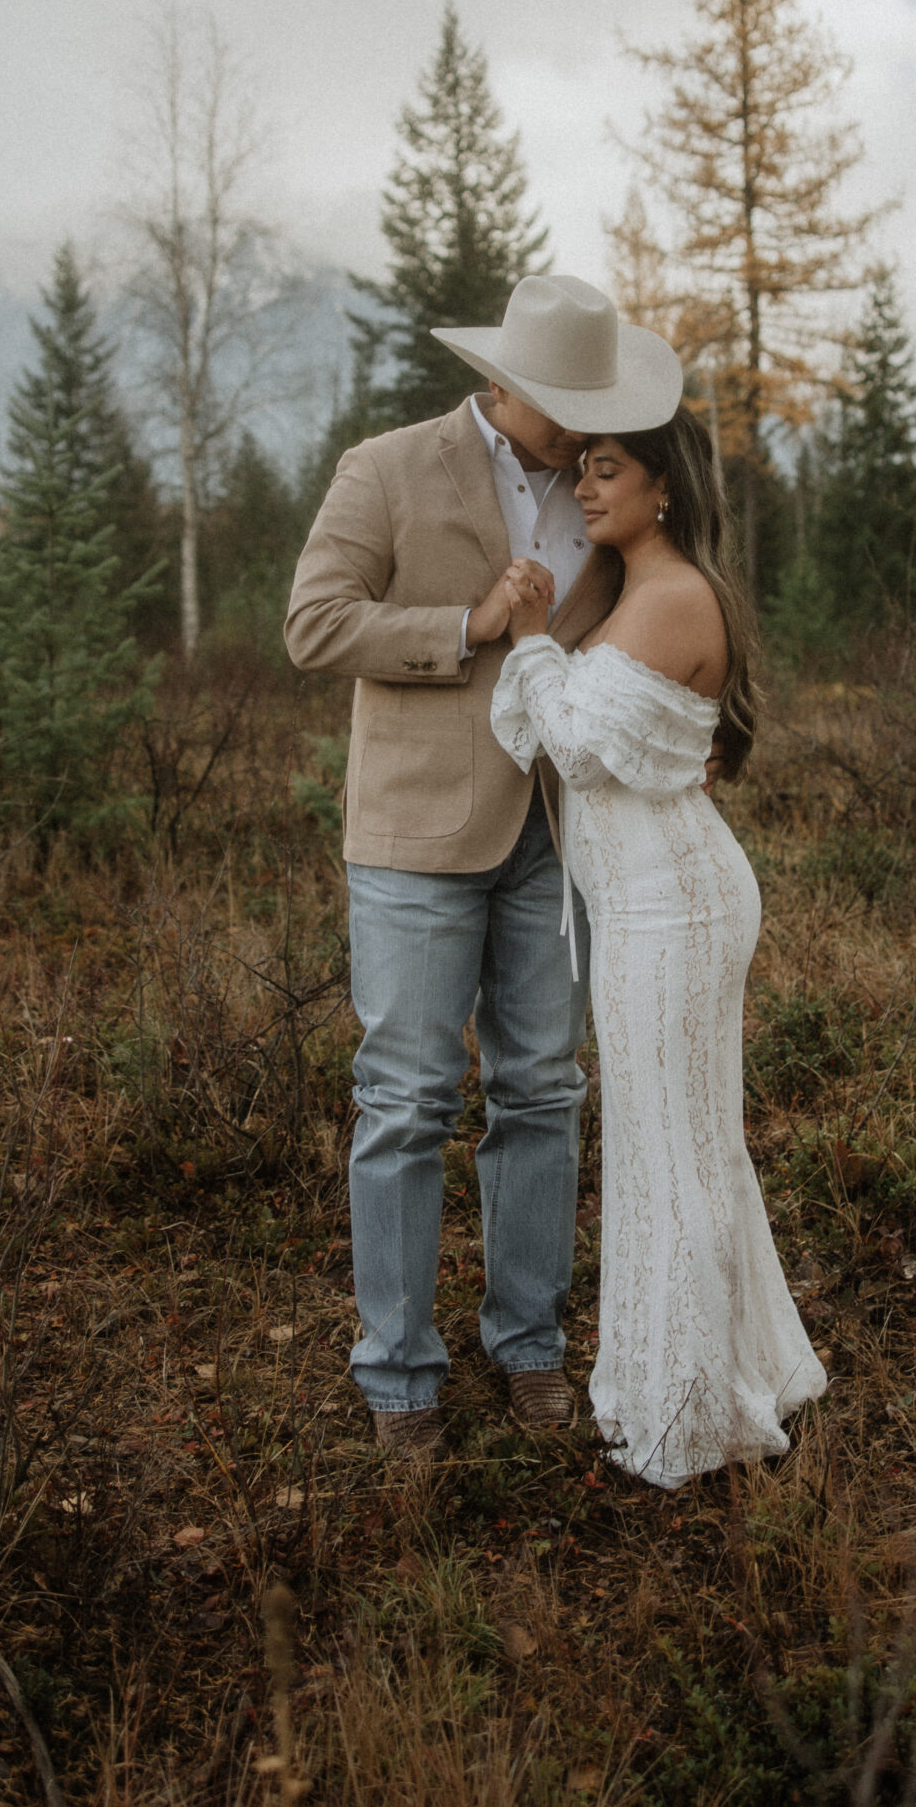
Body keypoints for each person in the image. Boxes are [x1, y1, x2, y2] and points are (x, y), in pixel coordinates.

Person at [283, 274, 683, 1462]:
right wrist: (465, 623)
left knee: (544, 1092)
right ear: (501, 383)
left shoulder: (606, 485)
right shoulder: (387, 467)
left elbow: (665, 616)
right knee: (404, 1103)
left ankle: (530, 1345)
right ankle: (399, 1375)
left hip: (561, 838)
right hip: (414, 838)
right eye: (563, 400)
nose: (581, 427)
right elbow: (314, 623)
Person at [489, 406, 827, 1489]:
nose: (585, 489)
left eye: (607, 471)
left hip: (670, 907)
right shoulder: (651, 591)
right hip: (650, 901)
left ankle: (687, 1411)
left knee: (671, 1152)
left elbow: (580, 746)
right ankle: (718, 1377)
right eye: (580, 472)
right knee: (674, 1145)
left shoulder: (674, 593)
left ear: (663, 487)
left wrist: (534, 640)